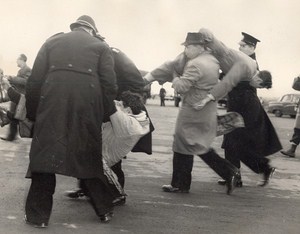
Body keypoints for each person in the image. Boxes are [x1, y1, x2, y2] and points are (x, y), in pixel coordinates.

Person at [24, 15, 118, 228]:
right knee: (87, 157)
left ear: (74, 27)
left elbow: (35, 81)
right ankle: (104, 210)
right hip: (87, 108)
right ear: (92, 30)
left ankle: (38, 217)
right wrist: (102, 115)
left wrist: (33, 113)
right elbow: (109, 85)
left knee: (45, 158)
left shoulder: (51, 42)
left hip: (51, 106)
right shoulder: (102, 47)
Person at [65, 40, 155, 201]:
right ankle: (87, 188)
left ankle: (117, 192)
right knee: (92, 148)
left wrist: (122, 105)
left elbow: (136, 83)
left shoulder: (115, 55)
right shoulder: (93, 57)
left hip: (116, 111)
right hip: (101, 109)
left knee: (111, 153)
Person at [160, 32, 240, 195]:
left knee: (184, 143)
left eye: (188, 46)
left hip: (193, 108)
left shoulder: (195, 64)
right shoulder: (211, 61)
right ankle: (228, 172)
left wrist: (175, 76)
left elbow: (182, 87)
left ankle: (182, 184)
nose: (186, 50)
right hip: (203, 107)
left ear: (198, 47)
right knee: (194, 143)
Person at [217, 32, 281, 187]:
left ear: (252, 47)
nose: (239, 47)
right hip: (240, 105)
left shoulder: (251, 64)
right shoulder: (244, 61)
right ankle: (238, 174)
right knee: (232, 142)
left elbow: (236, 80)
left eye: (243, 45)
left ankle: (248, 172)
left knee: (234, 142)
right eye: (240, 44)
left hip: (244, 107)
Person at [1, 54, 31, 141]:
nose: (16, 62)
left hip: (20, 98)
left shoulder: (27, 70)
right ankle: (12, 136)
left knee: (16, 116)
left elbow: (26, 82)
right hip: (17, 97)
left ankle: (12, 136)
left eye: (17, 60)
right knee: (14, 116)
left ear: (21, 60)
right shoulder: (22, 70)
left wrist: (12, 78)